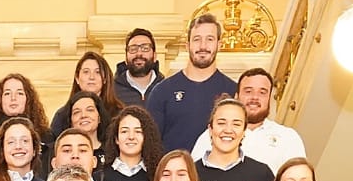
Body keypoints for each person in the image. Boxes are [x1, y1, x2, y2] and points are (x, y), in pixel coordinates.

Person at [147, 13, 239, 153]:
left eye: (210, 39)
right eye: (197, 39)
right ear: (187, 45)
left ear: (219, 45)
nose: (203, 46)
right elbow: (150, 145)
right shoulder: (162, 91)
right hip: (172, 167)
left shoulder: (233, 91)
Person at [191, 69, 305, 172]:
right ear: (236, 96)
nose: (255, 97)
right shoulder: (215, 135)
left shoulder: (288, 137)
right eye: (248, 91)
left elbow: (299, 180)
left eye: (262, 92)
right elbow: (194, 176)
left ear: (269, 99)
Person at [194, 97, 274, 181]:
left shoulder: (261, 174)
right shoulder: (190, 173)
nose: (228, 130)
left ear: (244, 132)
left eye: (236, 124)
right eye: (221, 123)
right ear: (210, 129)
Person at [0, 73, 51, 175]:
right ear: (0, 100)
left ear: (28, 99)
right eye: (7, 93)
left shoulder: (44, 134)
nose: (13, 98)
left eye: (19, 93)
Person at [99, 105, 163, 181]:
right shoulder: (100, 177)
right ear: (116, 138)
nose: (131, 137)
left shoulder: (157, 177)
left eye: (138, 131)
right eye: (124, 131)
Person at [48, 52, 124, 141]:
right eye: (86, 72)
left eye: (98, 72)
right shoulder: (62, 114)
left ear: (105, 79)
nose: (91, 77)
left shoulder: (119, 113)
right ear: (77, 78)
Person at [113, 28, 160, 106]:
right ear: (126, 57)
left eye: (145, 48)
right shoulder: (111, 92)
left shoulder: (166, 88)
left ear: (154, 56)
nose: (139, 53)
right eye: (133, 49)